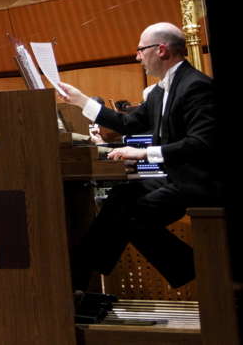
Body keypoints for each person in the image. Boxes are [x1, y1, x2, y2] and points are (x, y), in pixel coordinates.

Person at [55, 23, 220, 291]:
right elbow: (129, 122)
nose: (137, 56)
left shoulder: (196, 87)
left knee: (136, 218)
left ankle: (198, 270)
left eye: (141, 50)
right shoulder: (159, 92)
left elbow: (200, 144)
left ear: (162, 50)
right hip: (177, 177)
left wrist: (144, 152)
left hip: (202, 182)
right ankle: (82, 279)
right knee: (120, 198)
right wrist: (82, 101)